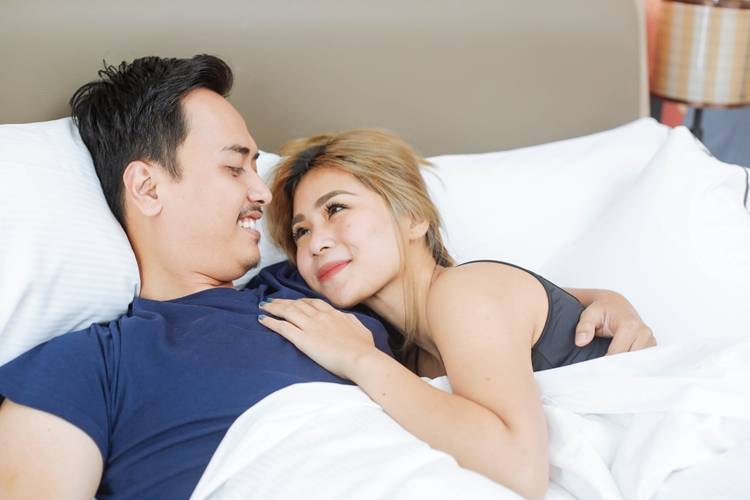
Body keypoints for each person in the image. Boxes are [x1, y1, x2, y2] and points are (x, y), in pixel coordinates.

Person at [0, 55, 652, 499]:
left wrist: (591, 301)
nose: (261, 192)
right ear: (146, 186)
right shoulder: (87, 364)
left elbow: (458, 301)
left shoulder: (319, 290)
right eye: (235, 167)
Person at [259, 128, 657, 499]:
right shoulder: (414, 355)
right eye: (300, 231)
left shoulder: (462, 292)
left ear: (414, 218)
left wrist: (358, 358)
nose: (316, 243)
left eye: (336, 208)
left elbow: (521, 471)